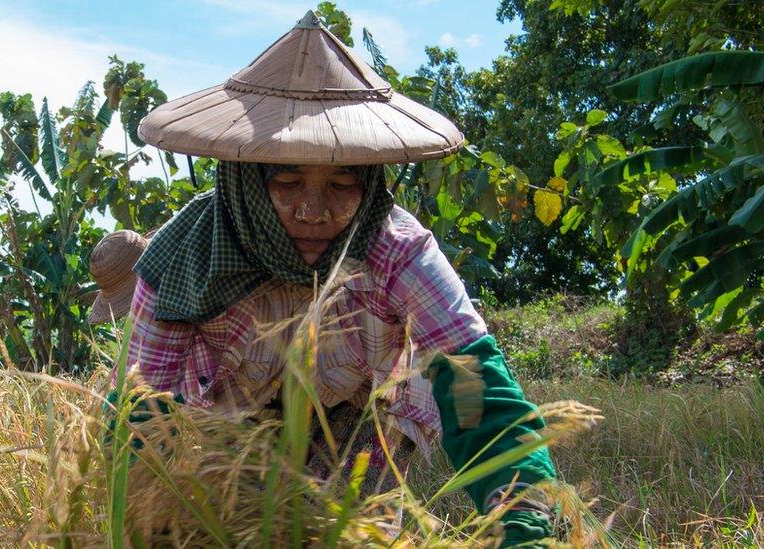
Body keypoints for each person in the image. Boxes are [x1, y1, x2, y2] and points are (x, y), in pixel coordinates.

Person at [108, 11, 557, 547]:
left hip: (366, 412)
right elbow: (142, 405)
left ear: (369, 184)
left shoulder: (398, 251)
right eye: (287, 180)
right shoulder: (184, 257)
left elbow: (476, 389)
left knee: (347, 535)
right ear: (246, 181)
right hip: (233, 416)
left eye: (343, 183)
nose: (314, 211)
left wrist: (526, 519)